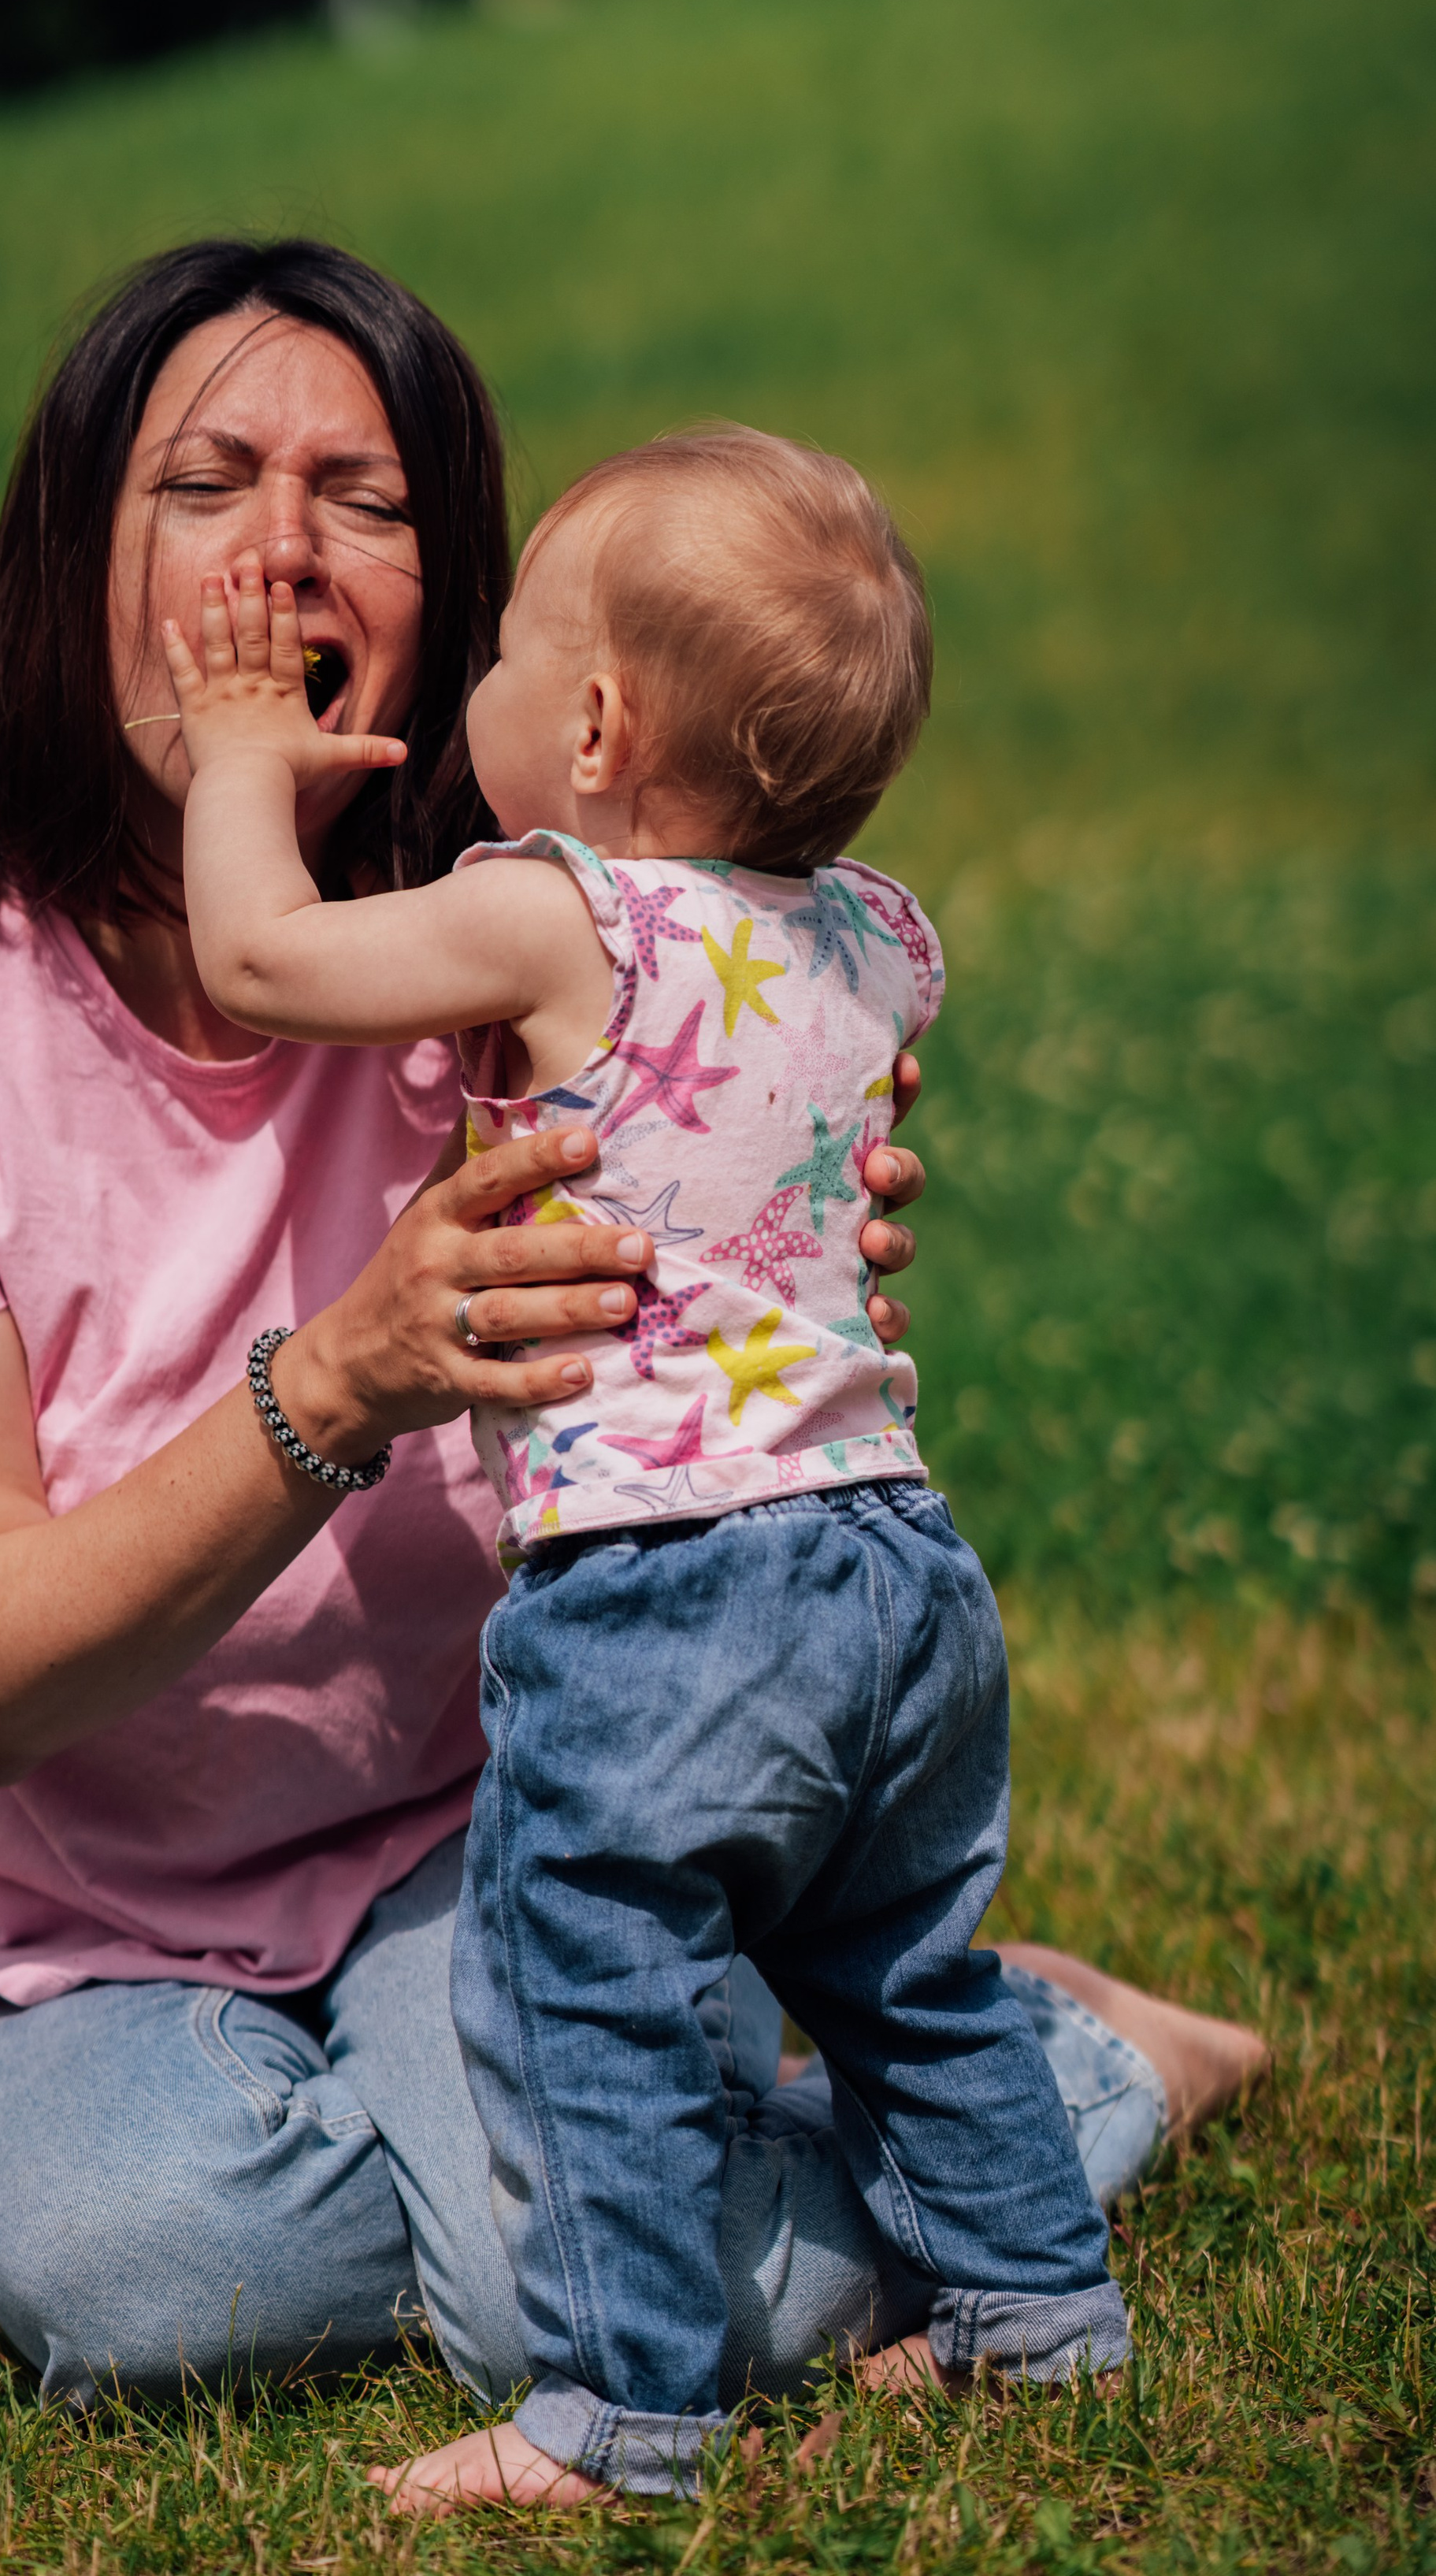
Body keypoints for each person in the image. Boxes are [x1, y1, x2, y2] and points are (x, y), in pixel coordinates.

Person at [0, 239, 1266, 2480]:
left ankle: (907, 2088)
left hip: (483, 1821)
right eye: (206, 483)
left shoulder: (542, 950)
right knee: (167, 2265)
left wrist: (784, 1222)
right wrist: (340, 1382)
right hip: (64, 1930)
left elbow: (773, 1115)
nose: (279, 549)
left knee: (557, 2270)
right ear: (77, 551)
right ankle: (940, 2088)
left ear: (461, 604)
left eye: (358, 496)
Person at [162, 425, 1128, 2506]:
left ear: (591, 728)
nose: (488, 681)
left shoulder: (548, 908)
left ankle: (623, 2420)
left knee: (579, 1982)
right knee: (903, 1974)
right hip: (894, 1560)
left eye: (512, 647)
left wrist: (240, 757)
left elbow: (259, 966)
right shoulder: (883, 933)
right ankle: (1043, 2319)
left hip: (667, 1585)